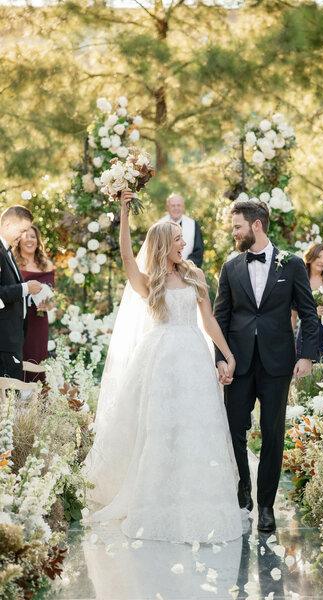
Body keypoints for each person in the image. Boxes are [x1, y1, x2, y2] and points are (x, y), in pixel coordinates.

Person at [84, 189, 243, 544]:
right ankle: (158, 499)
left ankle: (196, 500)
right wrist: (124, 214)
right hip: (159, 361)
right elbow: (126, 257)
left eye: (181, 237)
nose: (183, 242)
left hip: (194, 359)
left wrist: (226, 355)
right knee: (160, 429)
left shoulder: (195, 275)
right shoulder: (148, 281)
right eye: (176, 238)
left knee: (196, 429)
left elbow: (210, 321)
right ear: (161, 244)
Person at [213, 199, 318, 533]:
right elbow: (221, 317)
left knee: (273, 434)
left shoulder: (292, 265)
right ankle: (243, 488)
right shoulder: (230, 267)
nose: (234, 232)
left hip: (277, 363)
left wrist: (306, 354)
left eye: (237, 227)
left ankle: (267, 506)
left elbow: (308, 312)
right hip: (238, 363)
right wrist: (220, 359)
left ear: (256, 225)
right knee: (234, 430)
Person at [0, 205, 42, 380]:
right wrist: (26, 288)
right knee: (9, 398)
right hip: (4, 340)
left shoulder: (7, 251)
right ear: (8, 224)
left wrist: (30, 299)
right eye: (22, 230)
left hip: (13, 338)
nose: (23, 236)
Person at [14, 225, 55, 382]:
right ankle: (16, 398)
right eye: (26, 236)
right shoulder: (14, 264)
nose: (30, 240)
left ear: (38, 241)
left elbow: (53, 297)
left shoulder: (47, 265)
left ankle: (37, 400)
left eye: (33, 236)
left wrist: (48, 305)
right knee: (21, 356)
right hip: (18, 319)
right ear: (19, 241)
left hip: (39, 320)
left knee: (37, 357)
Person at [292, 243, 323, 362]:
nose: (322, 261)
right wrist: (291, 343)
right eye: (318, 257)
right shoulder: (300, 280)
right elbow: (292, 316)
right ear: (310, 258)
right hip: (305, 333)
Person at [158, 193, 204, 267]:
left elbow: (198, 251)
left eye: (178, 205)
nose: (176, 208)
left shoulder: (193, 224)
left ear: (183, 207)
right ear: (167, 207)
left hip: (188, 270)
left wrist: (185, 267)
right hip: (164, 269)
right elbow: (156, 248)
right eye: (173, 205)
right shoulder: (159, 225)